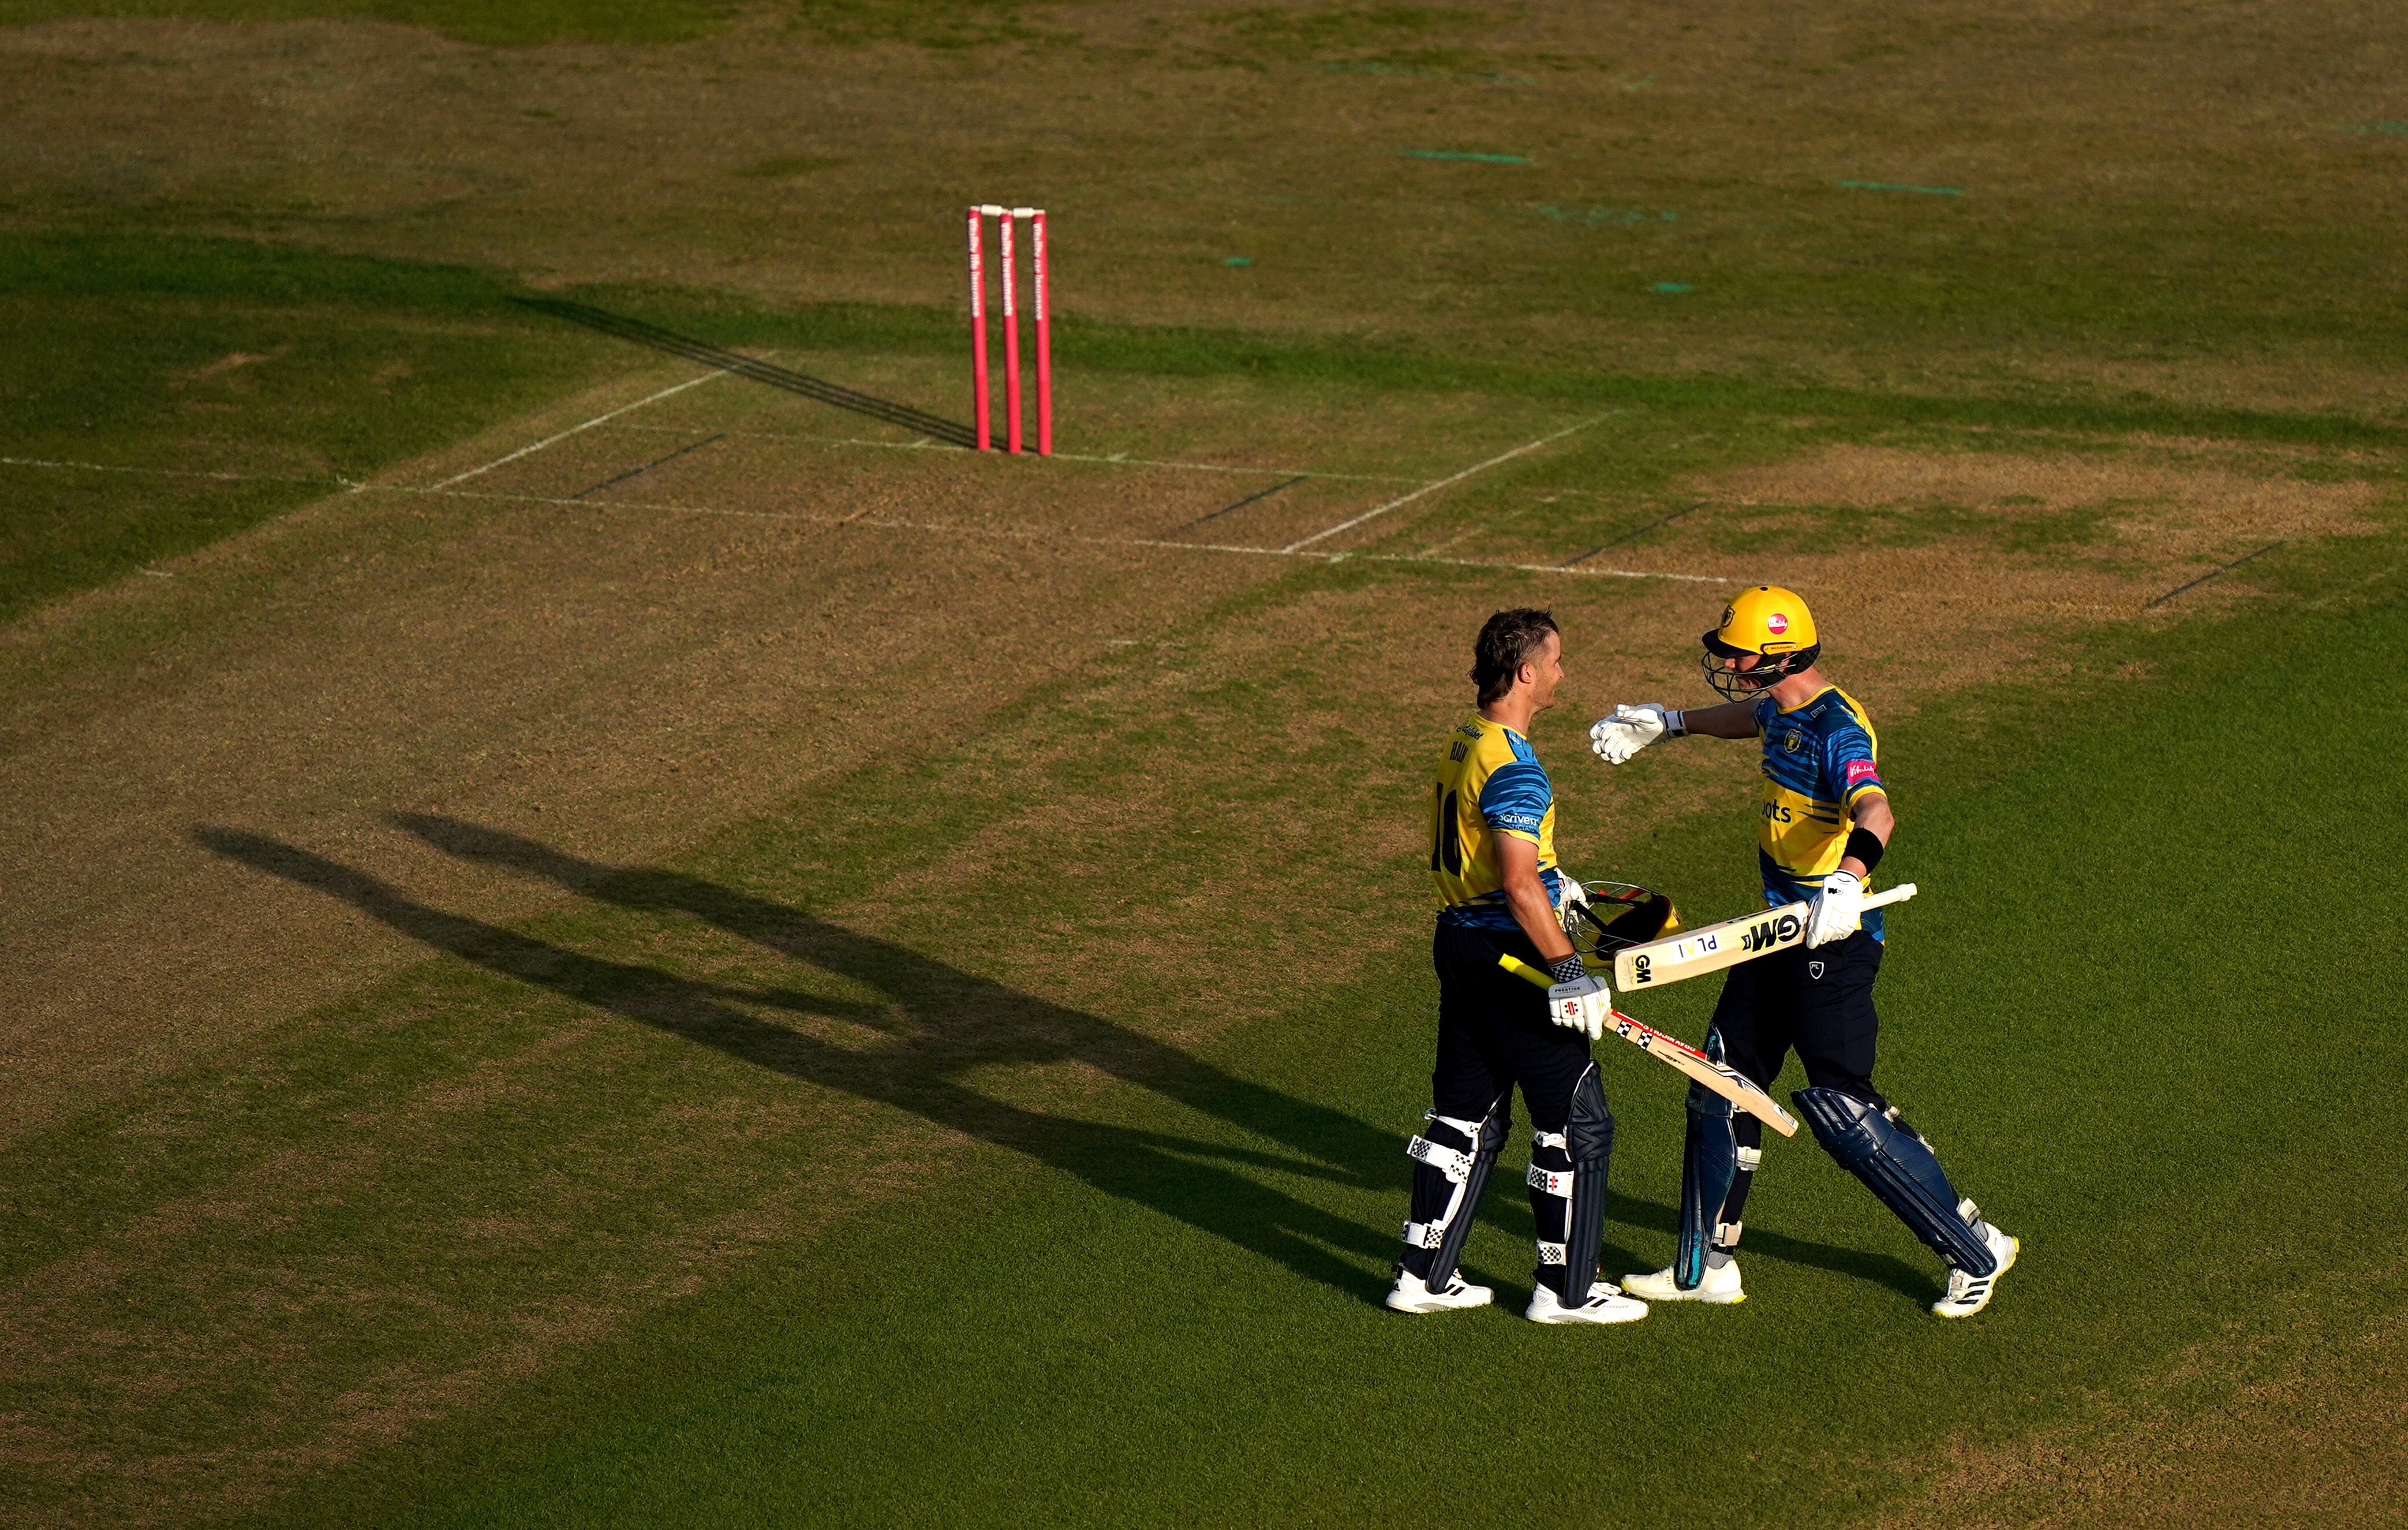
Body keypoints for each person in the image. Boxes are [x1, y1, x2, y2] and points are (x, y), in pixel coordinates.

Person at [1587, 587, 2017, 1319]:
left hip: (1833, 941)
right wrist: (1670, 723)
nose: (1724, 660)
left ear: (1778, 655)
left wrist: (1847, 883)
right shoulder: (1776, 707)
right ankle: (1704, 1265)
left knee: (1843, 1107)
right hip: (1773, 931)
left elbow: (1875, 808)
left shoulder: (1836, 726)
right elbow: (1745, 718)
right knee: (1718, 1083)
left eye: (1736, 652)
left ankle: (1973, 1247)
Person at [1385, 608, 1647, 1325]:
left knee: (1463, 1114)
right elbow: (1517, 880)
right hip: (1513, 962)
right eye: (1556, 661)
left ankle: (1422, 1274)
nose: (1563, 673)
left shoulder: (1463, 739)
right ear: (1527, 672)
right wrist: (1567, 970)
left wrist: (1551, 881)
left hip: (1459, 945)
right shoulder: (1514, 764)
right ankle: (1568, 1290)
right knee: (1574, 1119)